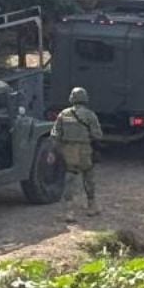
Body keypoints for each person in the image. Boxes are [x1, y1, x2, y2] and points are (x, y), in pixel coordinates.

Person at [51, 86, 104, 222]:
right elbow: (97, 135)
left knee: (69, 179)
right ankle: (91, 206)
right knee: (89, 177)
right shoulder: (90, 115)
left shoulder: (63, 114)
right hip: (85, 150)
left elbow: (55, 135)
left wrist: (54, 152)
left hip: (68, 151)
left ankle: (69, 211)